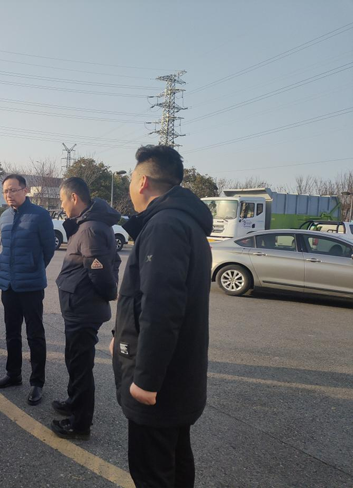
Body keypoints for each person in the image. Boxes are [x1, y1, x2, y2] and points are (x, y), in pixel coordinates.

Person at [111, 145, 213, 488]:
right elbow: (145, 299)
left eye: (131, 179)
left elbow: (161, 308)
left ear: (142, 182)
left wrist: (146, 380)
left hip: (160, 383)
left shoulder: (165, 226)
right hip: (178, 377)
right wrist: (119, 334)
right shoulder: (184, 223)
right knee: (175, 461)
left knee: (153, 472)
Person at [51, 177, 121, 440]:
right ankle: (74, 402)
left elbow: (99, 270)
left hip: (84, 309)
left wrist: (108, 294)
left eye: (62, 200)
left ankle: (80, 424)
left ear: (74, 198)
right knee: (74, 359)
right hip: (79, 307)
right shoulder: (87, 225)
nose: (61, 205)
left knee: (80, 366)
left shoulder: (90, 228)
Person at [0, 174, 55, 406]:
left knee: (35, 334)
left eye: (13, 190)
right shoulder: (4, 216)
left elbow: (48, 249)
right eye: (6, 191)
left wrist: (33, 267)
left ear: (25, 190)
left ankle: (37, 382)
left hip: (31, 285)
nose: (9, 195)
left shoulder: (39, 215)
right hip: (8, 284)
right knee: (12, 332)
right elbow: (5, 248)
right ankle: (13, 374)